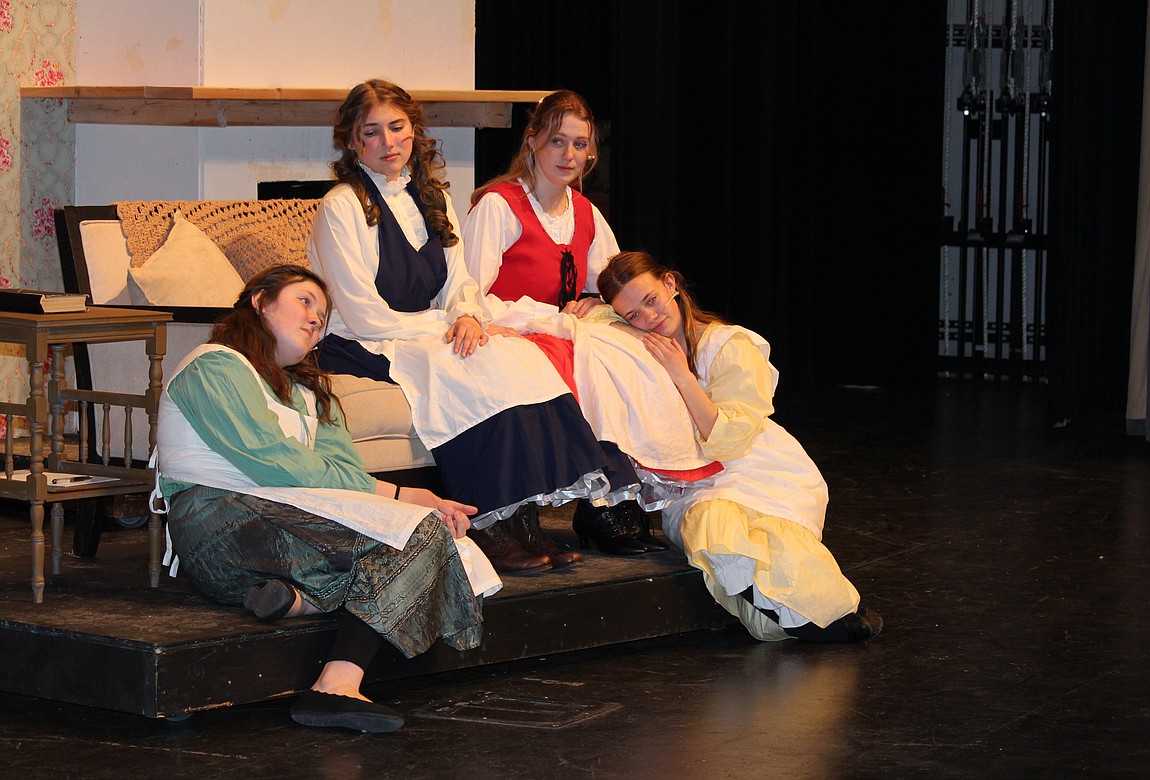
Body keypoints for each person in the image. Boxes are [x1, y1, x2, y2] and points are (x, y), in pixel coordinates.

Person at [307, 79, 640, 573]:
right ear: (353, 143)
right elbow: (361, 312)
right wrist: (444, 326)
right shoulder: (342, 206)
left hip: (425, 331)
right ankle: (487, 524)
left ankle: (523, 521)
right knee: (461, 366)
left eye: (397, 128)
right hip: (362, 342)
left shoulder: (432, 197)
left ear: (414, 131)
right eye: (372, 133)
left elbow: (461, 281)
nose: (388, 142)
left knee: (514, 355)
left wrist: (465, 314)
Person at [152, 264, 501, 734]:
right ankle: (332, 675)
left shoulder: (312, 396)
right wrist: (401, 496)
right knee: (414, 532)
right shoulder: (213, 365)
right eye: (304, 301)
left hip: (289, 533)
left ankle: (299, 606)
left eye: (323, 313)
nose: (317, 318)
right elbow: (272, 461)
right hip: (220, 526)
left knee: (431, 536)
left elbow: (345, 475)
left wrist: (402, 501)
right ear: (259, 301)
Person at [597, 251, 883, 643]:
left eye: (651, 300)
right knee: (711, 527)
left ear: (671, 283)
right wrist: (590, 308)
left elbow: (730, 439)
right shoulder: (640, 342)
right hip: (693, 480)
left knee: (752, 533)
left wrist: (682, 376)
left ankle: (830, 612)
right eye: (632, 315)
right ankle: (803, 620)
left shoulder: (730, 345)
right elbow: (594, 323)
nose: (648, 318)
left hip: (757, 464)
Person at [463, 89, 665, 555]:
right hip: (508, 331)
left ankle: (609, 504)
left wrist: (594, 304)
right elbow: (469, 294)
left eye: (580, 144)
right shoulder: (499, 205)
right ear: (532, 140)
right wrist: (549, 318)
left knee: (628, 355)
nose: (569, 154)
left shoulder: (586, 213)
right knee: (575, 363)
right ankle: (598, 503)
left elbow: (613, 284)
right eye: (558, 141)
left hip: (562, 333)